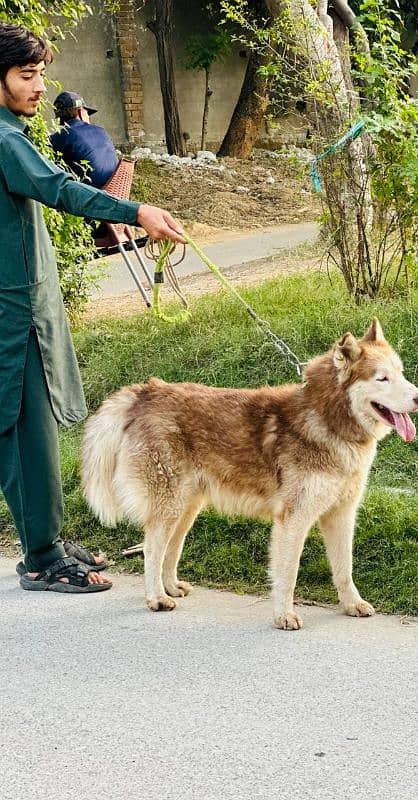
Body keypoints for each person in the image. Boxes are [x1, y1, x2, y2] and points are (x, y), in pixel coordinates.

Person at [0, 22, 185, 594]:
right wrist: (137, 213)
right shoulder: (4, 140)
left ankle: (43, 538)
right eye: (26, 75)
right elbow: (60, 189)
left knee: (29, 426)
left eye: (39, 74)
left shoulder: (11, 131)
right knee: (26, 429)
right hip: (11, 309)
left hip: (19, 299)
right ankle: (41, 556)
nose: (38, 87)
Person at [49, 90, 118, 189]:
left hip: (90, 195)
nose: (89, 118)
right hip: (117, 189)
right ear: (80, 112)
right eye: (88, 113)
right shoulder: (102, 131)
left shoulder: (59, 136)